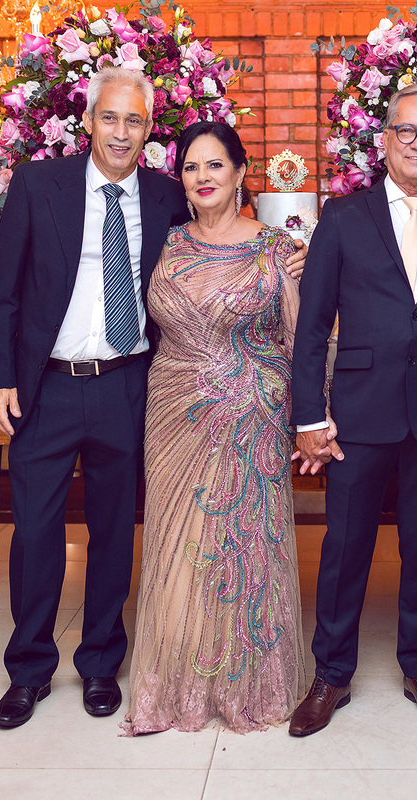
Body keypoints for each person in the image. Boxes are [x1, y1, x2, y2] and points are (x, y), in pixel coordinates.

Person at [0, 68, 304, 729]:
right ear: (88, 121)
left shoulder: (166, 198)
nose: (120, 132)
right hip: (46, 386)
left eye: (134, 121)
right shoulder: (39, 185)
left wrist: (294, 259)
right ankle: (29, 671)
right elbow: (4, 291)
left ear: (148, 130)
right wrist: (1, 377)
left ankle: (101, 662)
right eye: (110, 117)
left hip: (130, 385)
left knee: (114, 531)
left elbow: (231, 247)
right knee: (36, 532)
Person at [288, 84, 417, 736]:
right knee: (345, 549)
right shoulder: (344, 218)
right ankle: (331, 674)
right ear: (386, 139)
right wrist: (309, 416)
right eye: (409, 131)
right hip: (359, 414)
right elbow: (312, 325)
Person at [121, 121, 308, 734]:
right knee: (178, 543)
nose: (203, 177)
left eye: (215, 165)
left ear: (240, 172)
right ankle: (179, 682)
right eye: (191, 167)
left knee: (242, 546)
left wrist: (311, 414)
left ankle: (247, 685)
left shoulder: (278, 248)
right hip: (171, 412)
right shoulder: (163, 241)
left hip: (252, 417)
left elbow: (300, 339)